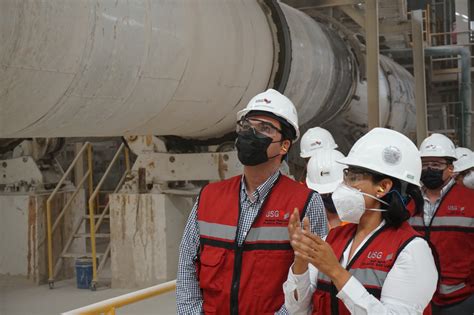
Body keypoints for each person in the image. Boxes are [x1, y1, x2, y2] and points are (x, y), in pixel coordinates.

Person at [176, 89, 328, 314]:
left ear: (284, 145)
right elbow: (186, 266)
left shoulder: (305, 203)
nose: (251, 134)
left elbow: (313, 278)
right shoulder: (209, 197)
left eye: (264, 129)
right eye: (248, 126)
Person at [284, 127, 438, 314]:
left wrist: (336, 271)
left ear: (382, 187)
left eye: (353, 178)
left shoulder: (412, 250)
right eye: (346, 175)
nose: (343, 186)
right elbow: (297, 310)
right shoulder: (333, 238)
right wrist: (300, 261)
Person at [407, 134, 474, 314]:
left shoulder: (470, 201)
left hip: (460, 299)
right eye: (425, 164)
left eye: (436, 165)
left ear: (451, 168)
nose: (429, 169)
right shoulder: (409, 202)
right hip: (418, 300)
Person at [306, 149, 346, 228]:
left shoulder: (358, 218)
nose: (330, 196)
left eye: (333, 192)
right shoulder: (310, 219)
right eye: (325, 194)